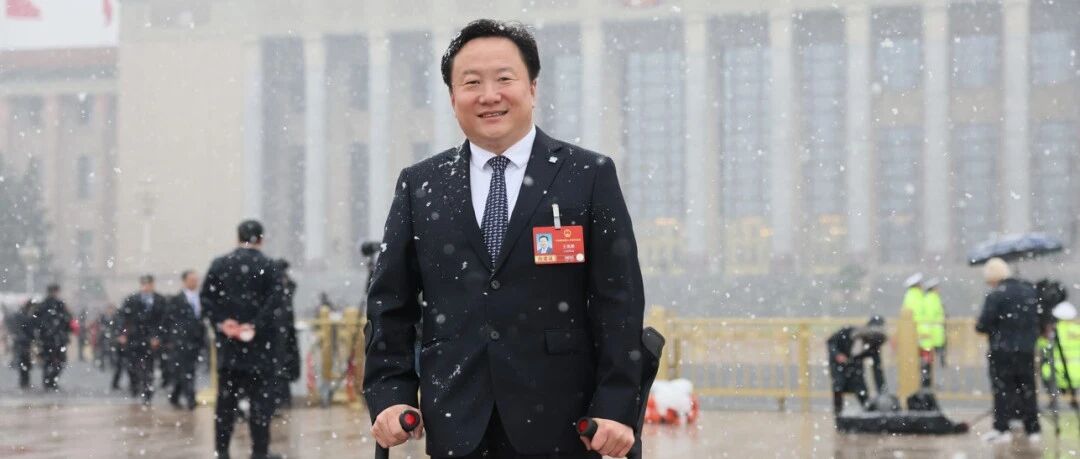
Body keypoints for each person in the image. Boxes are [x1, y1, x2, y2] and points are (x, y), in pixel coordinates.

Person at [364, 19, 645, 459]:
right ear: (452, 97)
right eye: (472, 82)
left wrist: (616, 405)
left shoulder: (587, 176)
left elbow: (619, 302)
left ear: (532, 88)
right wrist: (390, 393)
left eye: (504, 79)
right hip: (456, 421)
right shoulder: (421, 185)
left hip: (563, 423)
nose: (489, 95)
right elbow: (390, 304)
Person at [201, 220, 284, 459]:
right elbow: (276, 301)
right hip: (260, 348)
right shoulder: (269, 266)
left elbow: (206, 299)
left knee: (225, 404)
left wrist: (224, 322)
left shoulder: (220, 264)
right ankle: (259, 451)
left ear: (237, 237)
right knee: (260, 404)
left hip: (229, 348)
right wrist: (254, 325)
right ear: (261, 239)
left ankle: (222, 451)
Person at [975, 257, 1041, 443]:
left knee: (1003, 389)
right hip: (1026, 350)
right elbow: (1039, 318)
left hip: (1002, 350)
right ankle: (1033, 428)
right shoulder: (1030, 291)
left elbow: (982, 324)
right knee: (1028, 388)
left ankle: (1002, 428)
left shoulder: (996, 295)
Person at [117, 275, 167, 404]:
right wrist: (123, 334)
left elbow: (163, 320)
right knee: (132, 366)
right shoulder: (132, 299)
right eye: (144, 284)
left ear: (153, 285)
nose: (146, 287)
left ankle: (147, 391)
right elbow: (123, 318)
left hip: (150, 339)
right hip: (134, 338)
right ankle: (135, 386)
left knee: (148, 367)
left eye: (149, 284)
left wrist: (158, 337)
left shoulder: (160, 300)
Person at [827, 316, 887, 416]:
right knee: (838, 386)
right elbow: (831, 342)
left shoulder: (874, 346)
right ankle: (838, 414)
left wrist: (882, 393)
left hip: (856, 366)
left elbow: (877, 371)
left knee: (861, 389)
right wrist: (837, 354)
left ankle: (869, 413)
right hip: (838, 364)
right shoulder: (848, 331)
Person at [165, 270, 206, 410]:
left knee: (186, 370)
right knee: (187, 370)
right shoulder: (176, 300)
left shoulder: (202, 298)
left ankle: (175, 396)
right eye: (191, 280)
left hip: (196, 340)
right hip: (181, 341)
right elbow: (168, 320)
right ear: (184, 281)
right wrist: (170, 339)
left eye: (196, 280)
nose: (194, 282)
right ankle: (190, 399)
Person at [270, 259, 300, 410]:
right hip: (280, 334)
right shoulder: (278, 290)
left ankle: (281, 399)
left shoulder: (285, 289)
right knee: (280, 367)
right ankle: (279, 399)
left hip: (284, 334)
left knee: (282, 367)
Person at [35, 284, 72, 390]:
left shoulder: (43, 305)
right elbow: (67, 319)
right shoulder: (58, 305)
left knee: (49, 361)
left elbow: (36, 321)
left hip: (48, 338)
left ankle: (48, 381)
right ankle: (51, 381)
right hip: (55, 338)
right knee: (58, 361)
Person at [919, 278, 946, 387]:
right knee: (930, 362)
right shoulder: (931, 300)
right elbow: (930, 318)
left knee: (929, 362)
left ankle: (928, 383)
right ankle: (929, 384)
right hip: (931, 338)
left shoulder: (931, 299)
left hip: (932, 337)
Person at [7, 300, 36, 389]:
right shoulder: (25, 316)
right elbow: (28, 330)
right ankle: (24, 382)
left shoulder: (19, 315)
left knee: (23, 362)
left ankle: (24, 382)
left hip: (21, 341)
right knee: (24, 362)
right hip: (23, 342)